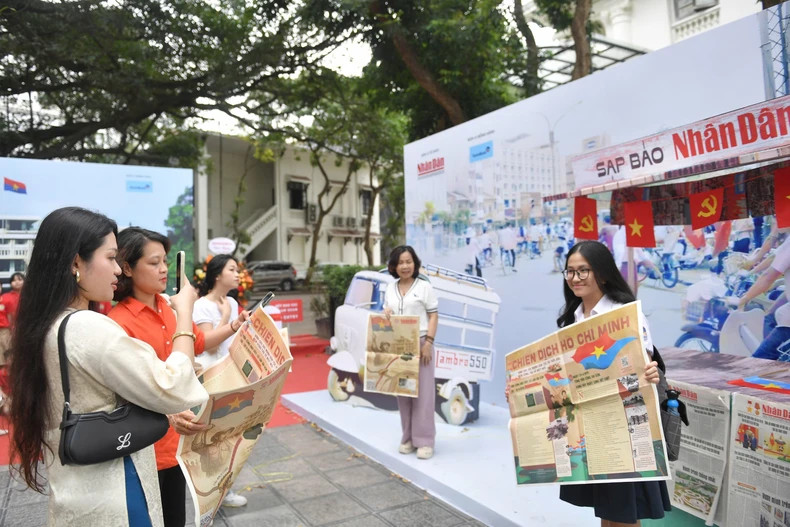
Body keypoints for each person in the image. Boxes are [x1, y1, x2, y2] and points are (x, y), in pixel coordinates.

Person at [9, 207, 208, 526]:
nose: (118, 270)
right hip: (118, 493)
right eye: (111, 257)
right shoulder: (88, 326)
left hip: (79, 495)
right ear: (77, 262)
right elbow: (172, 387)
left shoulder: (49, 324)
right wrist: (184, 313)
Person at [108, 228, 241, 527]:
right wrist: (169, 411)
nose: (164, 269)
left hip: (179, 444)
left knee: (176, 518)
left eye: (166, 261)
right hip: (144, 447)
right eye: (154, 262)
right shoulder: (118, 322)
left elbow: (198, 342)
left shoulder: (171, 309)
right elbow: (131, 388)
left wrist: (234, 326)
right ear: (127, 267)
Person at [557, 241, 668, 526]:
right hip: (592, 424)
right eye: (570, 271)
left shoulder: (624, 313)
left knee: (624, 513)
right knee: (608, 511)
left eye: (584, 271)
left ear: (603, 274)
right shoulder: (573, 317)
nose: (575, 278)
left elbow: (645, 364)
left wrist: (651, 373)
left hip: (625, 426)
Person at [192, 254, 250, 508]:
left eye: (238, 270)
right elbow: (207, 343)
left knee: (230, 434)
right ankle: (210, 492)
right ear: (217, 275)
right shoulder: (202, 305)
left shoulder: (232, 302)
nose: (238, 274)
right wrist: (227, 318)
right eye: (232, 269)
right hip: (210, 375)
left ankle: (225, 490)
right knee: (212, 437)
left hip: (231, 374)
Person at [383, 246, 438, 460]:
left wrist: (429, 343)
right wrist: (386, 313)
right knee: (403, 394)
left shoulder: (424, 287)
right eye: (401, 262)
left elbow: (433, 316)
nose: (405, 266)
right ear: (394, 266)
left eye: (409, 261)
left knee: (423, 395)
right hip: (399, 344)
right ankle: (407, 438)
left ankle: (424, 441)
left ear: (415, 264)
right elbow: (389, 314)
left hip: (421, 342)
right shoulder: (390, 288)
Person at [0, 272, 24, 420]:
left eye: (19, 279)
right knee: (3, 368)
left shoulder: (28, 297)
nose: (16, 282)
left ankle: (12, 401)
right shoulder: (6, 298)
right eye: (13, 280)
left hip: (14, 333)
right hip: (6, 333)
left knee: (11, 366)